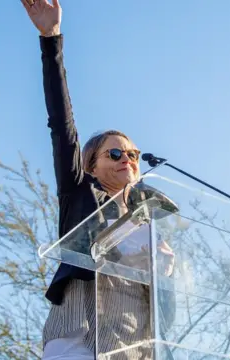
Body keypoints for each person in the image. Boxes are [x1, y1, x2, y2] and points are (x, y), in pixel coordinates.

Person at [20, 1, 176, 359]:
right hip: (79, 340)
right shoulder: (81, 194)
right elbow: (63, 124)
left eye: (133, 155)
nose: (127, 160)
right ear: (91, 165)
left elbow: (165, 307)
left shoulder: (149, 221)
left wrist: (167, 274)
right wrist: (51, 39)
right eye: (115, 154)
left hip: (133, 346)